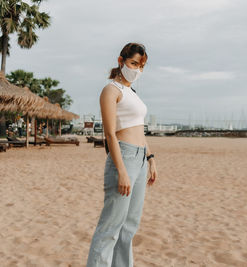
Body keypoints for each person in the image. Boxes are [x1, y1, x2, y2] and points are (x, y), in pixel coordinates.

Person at [86, 42, 158, 267]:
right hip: (123, 157)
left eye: (141, 66)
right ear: (121, 61)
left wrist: (150, 158)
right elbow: (109, 133)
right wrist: (121, 170)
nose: (137, 70)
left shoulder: (133, 93)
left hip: (140, 158)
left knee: (128, 228)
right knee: (110, 228)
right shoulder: (111, 90)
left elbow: (139, 128)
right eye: (133, 63)